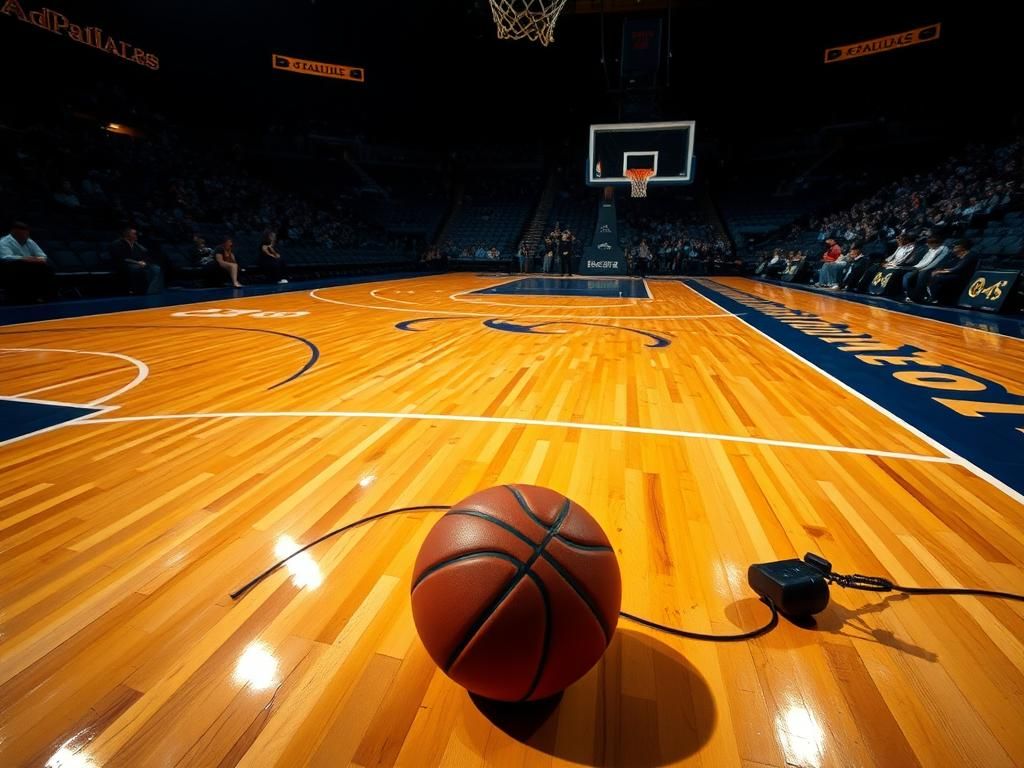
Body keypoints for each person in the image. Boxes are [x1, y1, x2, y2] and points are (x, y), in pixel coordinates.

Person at [0, 221, 55, 302]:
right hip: (10, 268)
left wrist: (37, 259)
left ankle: (44, 295)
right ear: (13, 232)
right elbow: (6, 257)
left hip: (31, 265)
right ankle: (25, 297)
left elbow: (42, 256)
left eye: (26, 233)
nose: (25, 235)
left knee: (47, 266)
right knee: (22, 266)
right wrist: (25, 258)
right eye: (21, 233)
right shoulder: (3, 242)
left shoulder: (29, 241)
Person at [110, 227, 161, 295]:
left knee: (156, 268)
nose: (137, 235)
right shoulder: (117, 243)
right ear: (127, 235)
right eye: (134, 234)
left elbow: (143, 254)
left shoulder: (136, 244)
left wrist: (144, 261)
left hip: (136, 263)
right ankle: (137, 290)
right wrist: (138, 262)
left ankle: (151, 290)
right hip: (122, 264)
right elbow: (122, 258)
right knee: (138, 268)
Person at [924, 240, 977, 305]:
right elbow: (950, 266)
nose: (954, 248)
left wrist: (940, 271)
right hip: (956, 274)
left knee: (938, 278)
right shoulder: (957, 256)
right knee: (932, 275)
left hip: (963, 276)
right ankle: (936, 297)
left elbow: (957, 269)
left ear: (962, 247)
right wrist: (940, 270)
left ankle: (935, 298)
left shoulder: (970, 255)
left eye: (956, 246)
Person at [902, 236, 949, 303]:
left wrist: (923, 269)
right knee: (907, 276)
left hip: (934, 268)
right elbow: (924, 260)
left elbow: (936, 262)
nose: (927, 245)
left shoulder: (944, 249)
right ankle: (909, 295)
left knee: (922, 274)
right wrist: (917, 267)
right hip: (922, 267)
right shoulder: (931, 249)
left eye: (929, 243)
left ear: (935, 243)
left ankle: (918, 297)